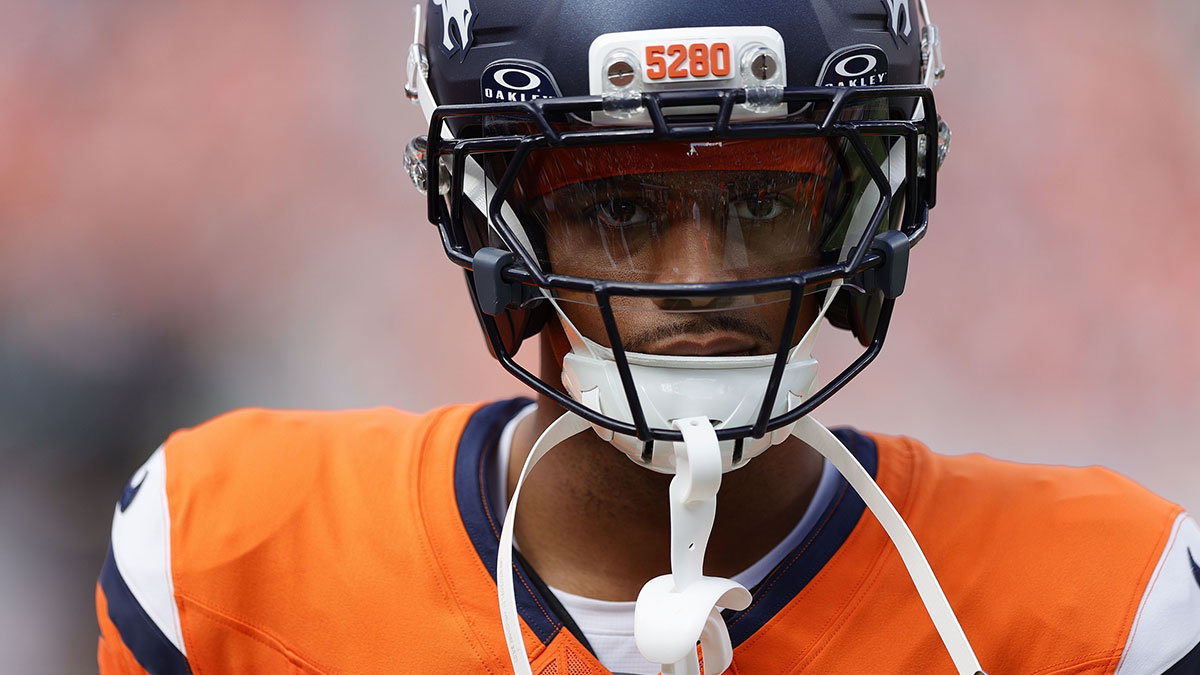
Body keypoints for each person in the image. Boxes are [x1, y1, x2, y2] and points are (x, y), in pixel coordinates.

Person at [95, 1, 1200, 673]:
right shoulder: (226, 551)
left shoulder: (1105, 603)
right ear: (495, 217)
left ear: (866, 213)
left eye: (763, 202)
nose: (699, 281)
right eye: (620, 208)